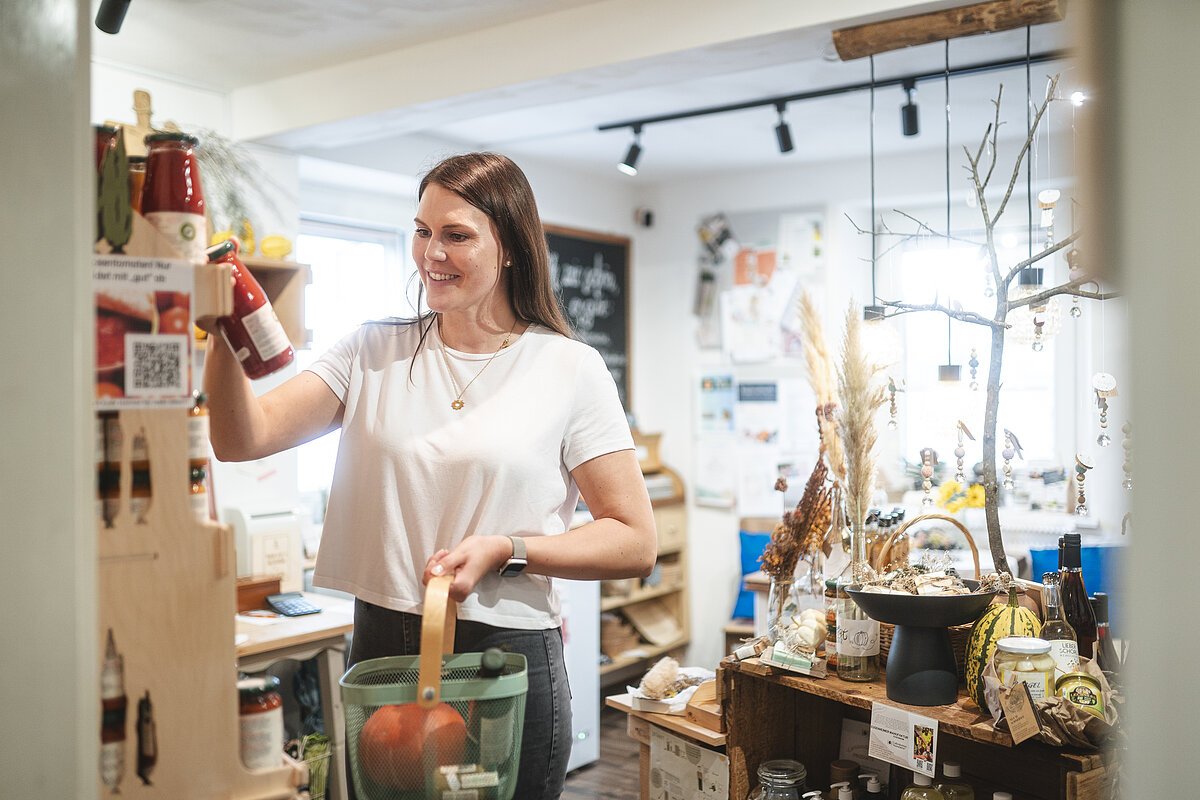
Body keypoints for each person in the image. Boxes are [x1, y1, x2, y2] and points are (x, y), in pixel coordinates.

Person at [204, 151, 656, 799]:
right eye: (421, 231)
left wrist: (509, 548)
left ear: (509, 250)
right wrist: (220, 330)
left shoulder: (568, 369)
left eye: (456, 235)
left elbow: (634, 539)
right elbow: (241, 437)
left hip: (504, 649)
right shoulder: (372, 351)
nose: (430, 253)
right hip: (384, 645)